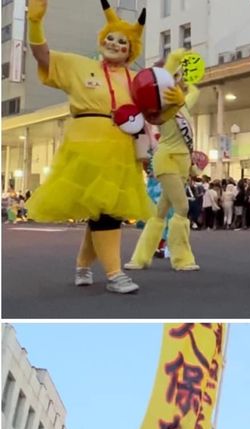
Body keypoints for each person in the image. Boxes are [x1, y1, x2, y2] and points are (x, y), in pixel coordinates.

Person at [25, 0, 156, 294]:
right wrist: (35, 23)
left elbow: (154, 113)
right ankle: (114, 274)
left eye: (122, 41)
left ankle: (83, 266)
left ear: (130, 49)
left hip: (121, 149)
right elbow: (42, 55)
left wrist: (173, 95)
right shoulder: (79, 65)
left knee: (103, 212)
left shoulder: (136, 79)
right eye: (110, 37)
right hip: (85, 147)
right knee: (104, 213)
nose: (114, 43)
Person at [125, 49, 201, 272]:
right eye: (175, 76)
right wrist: (174, 60)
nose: (179, 79)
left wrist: (185, 75)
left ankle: (140, 258)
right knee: (182, 207)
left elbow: (194, 87)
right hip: (166, 158)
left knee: (160, 211)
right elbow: (163, 77)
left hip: (183, 161)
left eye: (180, 76)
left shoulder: (185, 103)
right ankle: (182, 258)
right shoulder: (161, 103)